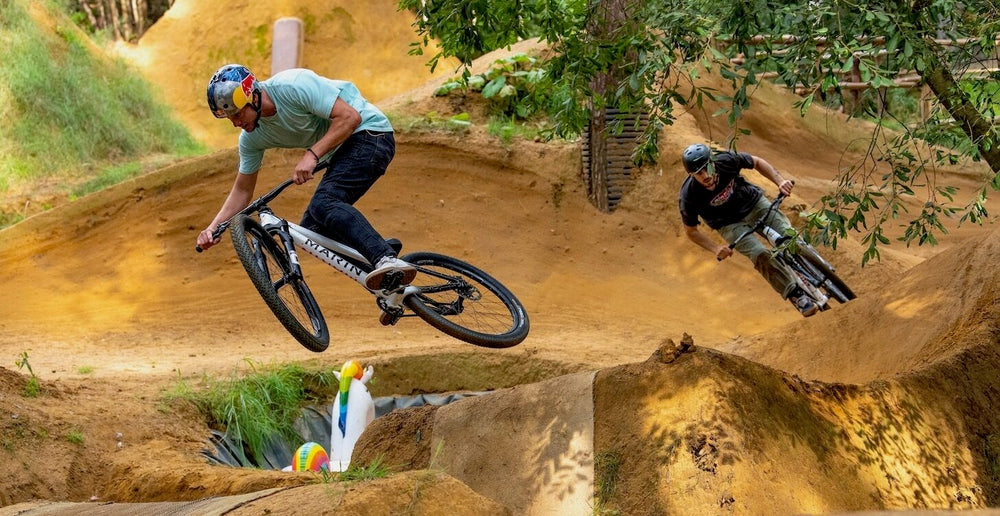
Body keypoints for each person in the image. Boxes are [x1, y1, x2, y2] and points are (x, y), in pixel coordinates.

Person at [196, 64, 415, 291]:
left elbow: (350, 117)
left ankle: (385, 258)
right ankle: (388, 278)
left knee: (325, 203)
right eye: (229, 118)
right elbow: (242, 190)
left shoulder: (293, 85)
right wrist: (213, 228)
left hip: (370, 134)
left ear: (253, 96)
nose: (236, 122)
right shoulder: (251, 139)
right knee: (313, 232)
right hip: (343, 151)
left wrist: (312, 155)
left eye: (238, 113)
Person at [677, 143, 818, 317]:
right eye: (699, 173)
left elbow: (756, 162)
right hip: (728, 224)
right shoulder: (688, 196)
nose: (705, 176)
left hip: (754, 203)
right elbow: (691, 231)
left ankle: (813, 260)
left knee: (787, 234)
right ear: (691, 175)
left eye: (707, 168)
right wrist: (716, 248)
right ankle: (796, 295)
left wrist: (780, 181)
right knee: (759, 254)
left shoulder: (726, 160)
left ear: (712, 162)